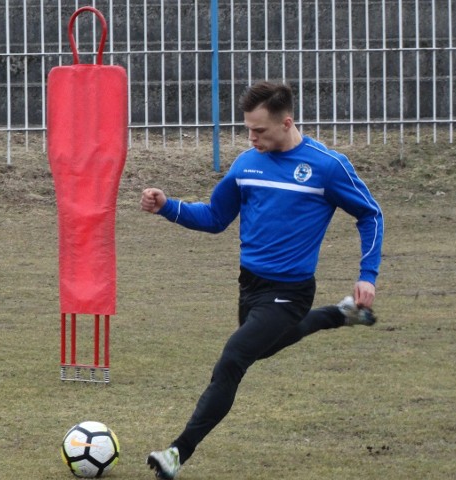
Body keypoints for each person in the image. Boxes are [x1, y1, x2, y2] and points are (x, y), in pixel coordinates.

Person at [140, 81, 384, 479]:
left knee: (233, 359)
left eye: (259, 131)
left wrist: (368, 275)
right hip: (250, 287)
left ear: (286, 123)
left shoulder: (326, 167)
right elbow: (216, 219)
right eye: (247, 130)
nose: (251, 138)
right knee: (262, 348)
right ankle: (340, 314)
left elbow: (370, 214)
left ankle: (176, 453)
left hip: (290, 292)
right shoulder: (246, 165)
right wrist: (168, 207)